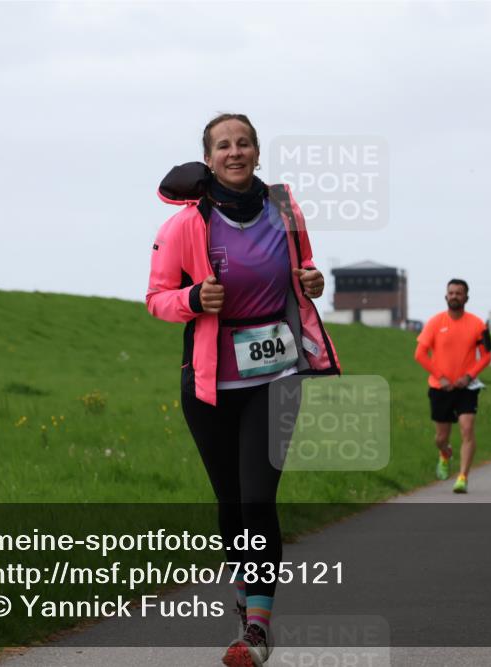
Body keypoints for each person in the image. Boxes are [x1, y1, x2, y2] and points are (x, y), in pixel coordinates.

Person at [146, 113, 340, 667]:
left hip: (275, 377)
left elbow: (303, 271)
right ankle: (244, 597)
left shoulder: (284, 209)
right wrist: (191, 301)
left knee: (259, 499)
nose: (235, 152)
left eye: (244, 143)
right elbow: (157, 296)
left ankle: (256, 630)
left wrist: (313, 280)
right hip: (210, 383)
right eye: (223, 145)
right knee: (231, 504)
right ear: (208, 159)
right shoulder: (186, 225)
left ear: (257, 151)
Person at [415, 279, 491, 493]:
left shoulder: (478, 325)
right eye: (451, 292)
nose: (454, 296)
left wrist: (469, 376)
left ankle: (462, 477)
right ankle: (444, 453)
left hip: (466, 388)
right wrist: (440, 376)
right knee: (441, 438)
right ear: (446, 296)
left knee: (467, 429)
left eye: (459, 293)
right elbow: (420, 354)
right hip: (441, 388)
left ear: (466, 297)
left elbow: (487, 356)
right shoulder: (434, 323)